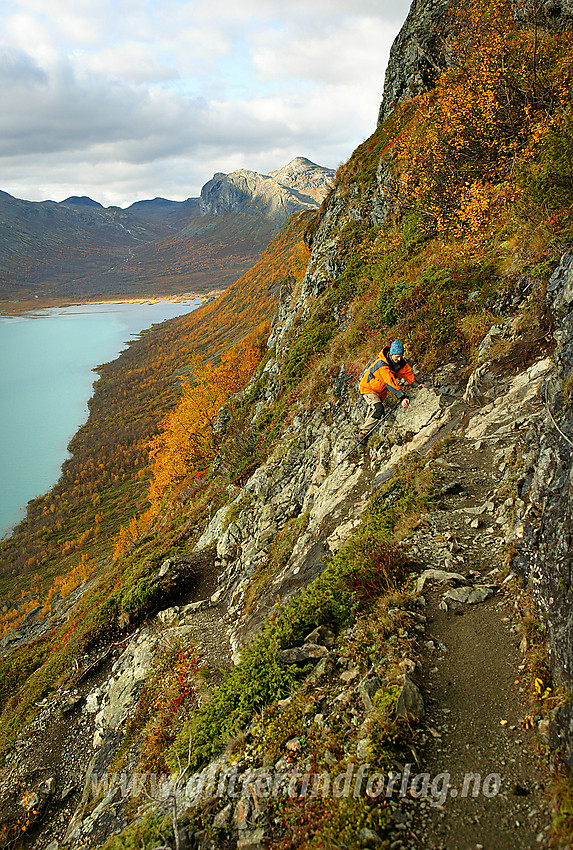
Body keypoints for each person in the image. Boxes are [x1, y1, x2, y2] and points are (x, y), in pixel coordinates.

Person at [358, 340, 426, 438]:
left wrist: (416, 385)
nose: (399, 358)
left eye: (401, 356)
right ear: (391, 353)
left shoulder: (401, 363)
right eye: (397, 356)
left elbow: (408, 374)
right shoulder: (382, 364)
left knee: (375, 411)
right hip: (368, 388)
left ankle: (365, 430)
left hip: (380, 391)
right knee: (379, 409)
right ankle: (363, 434)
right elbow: (390, 382)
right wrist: (402, 397)